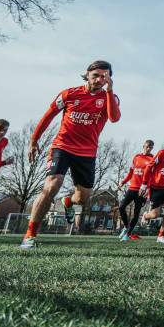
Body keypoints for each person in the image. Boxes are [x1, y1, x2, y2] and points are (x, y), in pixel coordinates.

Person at [20, 60, 121, 249]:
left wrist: (109, 89)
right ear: (87, 74)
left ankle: (68, 202)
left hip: (87, 153)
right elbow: (49, 114)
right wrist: (34, 139)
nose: (100, 79)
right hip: (62, 147)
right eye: (96, 75)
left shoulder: (111, 98)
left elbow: (114, 119)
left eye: (104, 76)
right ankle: (30, 235)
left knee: (82, 200)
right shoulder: (68, 94)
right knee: (51, 187)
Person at [116, 140, 155, 241]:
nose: (149, 149)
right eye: (147, 146)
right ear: (143, 146)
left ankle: (127, 234)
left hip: (142, 191)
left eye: (151, 147)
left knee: (136, 212)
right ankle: (125, 226)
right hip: (131, 188)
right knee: (121, 207)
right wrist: (122, 183)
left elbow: (153, 176)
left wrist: (149, 189)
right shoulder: (136, 157)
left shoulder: (152, 159)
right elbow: (130, 173)